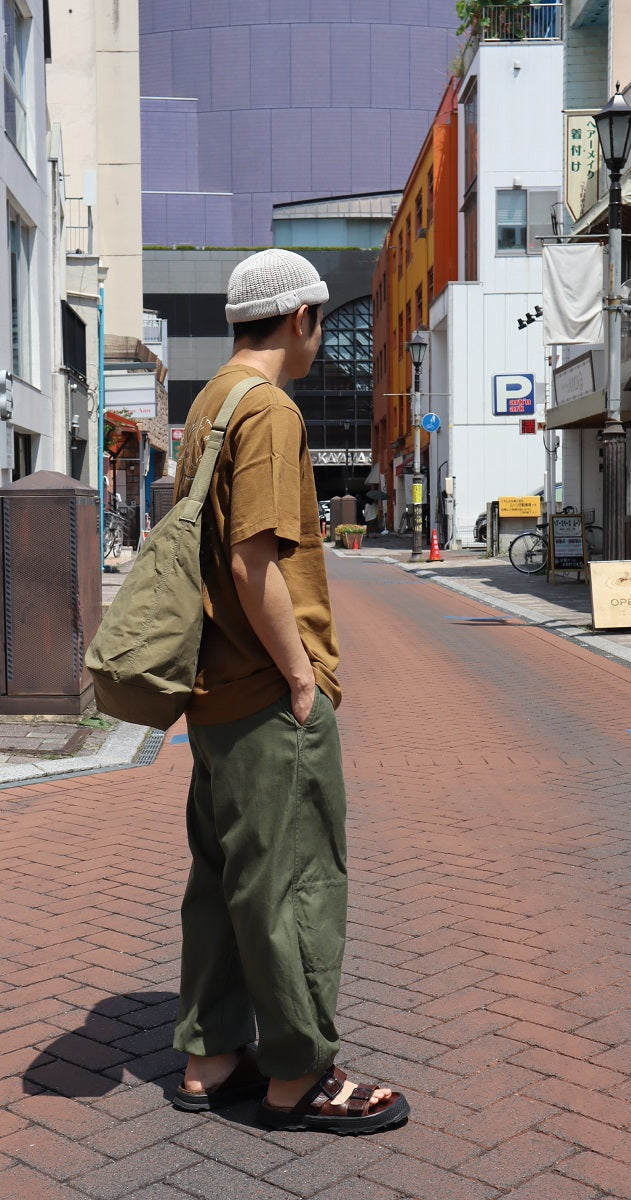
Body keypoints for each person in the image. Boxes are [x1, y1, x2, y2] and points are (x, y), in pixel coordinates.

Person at [170, 249, 409, 1134]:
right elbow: (250, 558)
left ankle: (212, 1055)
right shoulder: (269, 410)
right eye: (317, 321)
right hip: (269, 693)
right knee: (296, 880)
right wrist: (303, 676)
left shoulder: (209, 403)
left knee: (225, 877)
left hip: (211, 689)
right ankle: (299, 1074)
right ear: (304, 318)